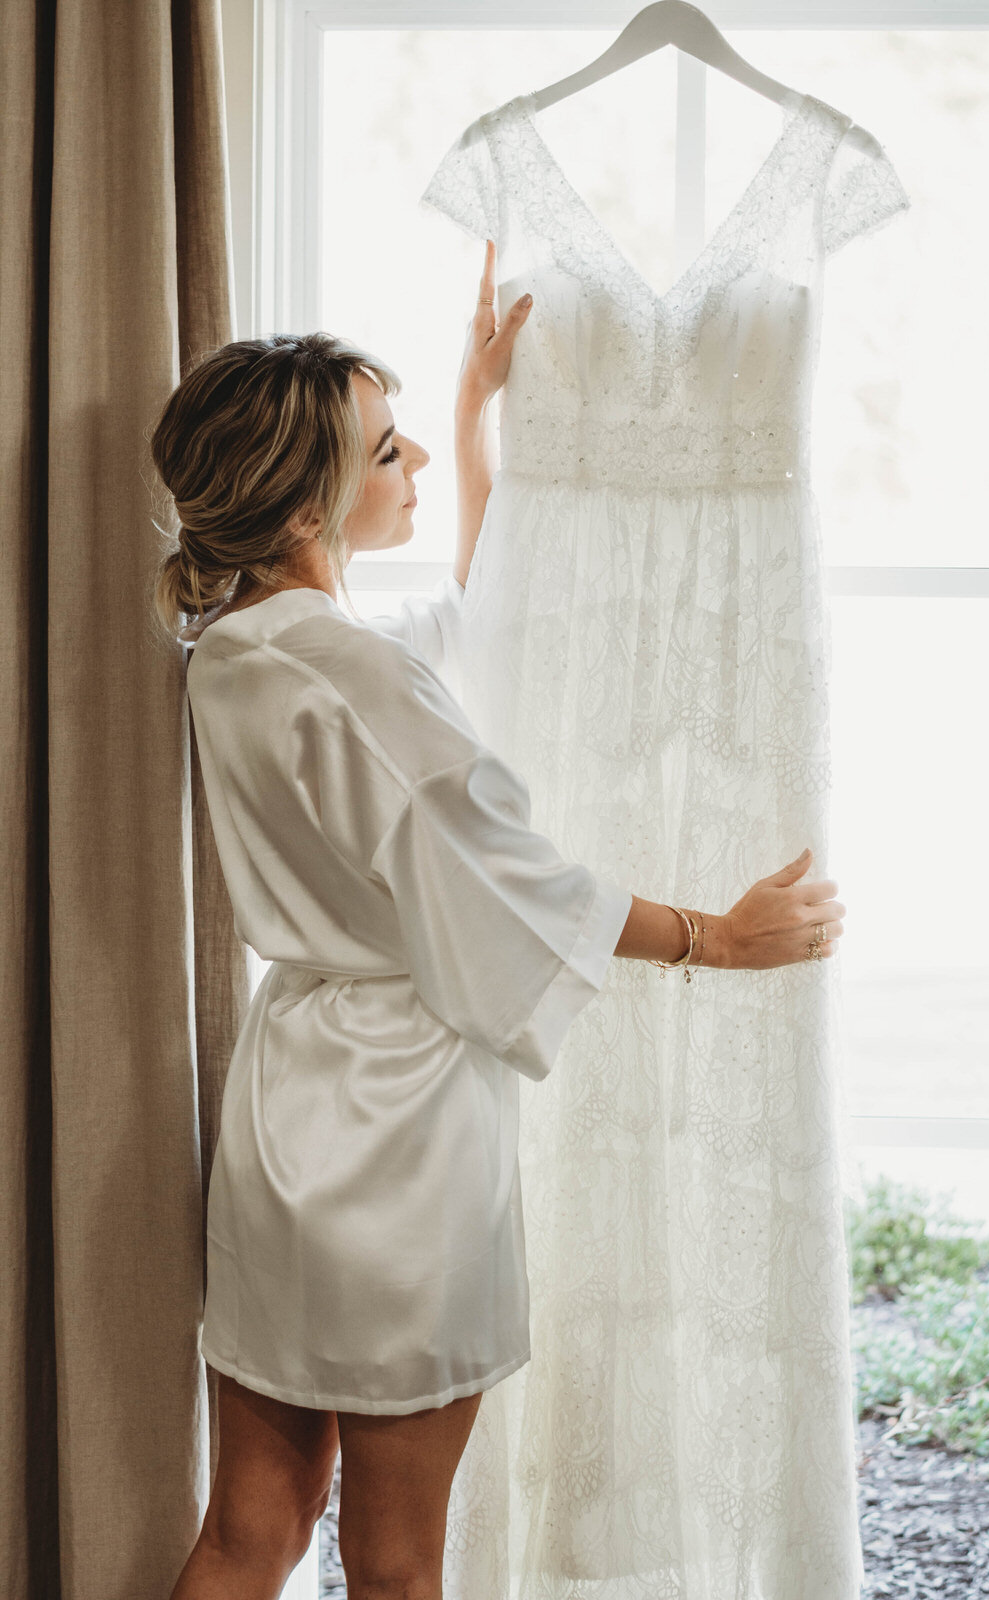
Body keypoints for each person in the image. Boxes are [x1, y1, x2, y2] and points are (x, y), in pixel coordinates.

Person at [151, 240, 846, 1600]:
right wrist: (723, 935)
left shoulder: (237, 651)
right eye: (391, 450)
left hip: (288, 1117)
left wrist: (468, 414)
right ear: (309, 498)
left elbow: (467, 616)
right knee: (399, 1565)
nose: (407, 466)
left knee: (255, 1527)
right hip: (398, 1141)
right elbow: (506, 876)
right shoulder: (349, 674)